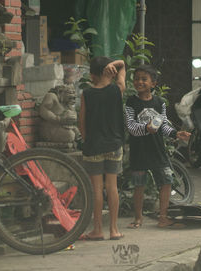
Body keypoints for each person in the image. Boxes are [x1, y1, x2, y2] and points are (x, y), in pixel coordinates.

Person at [125, 65, 191, 229]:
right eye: (137, 79)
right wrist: (146, 129)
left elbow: (163, 125)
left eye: (144, 79)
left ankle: (163, 217)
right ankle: (138, 218)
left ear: (153, 83)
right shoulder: (131, 102)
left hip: (157, 149)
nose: (139, 82)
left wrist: (176, 134)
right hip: (138, 150)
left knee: (166, 181)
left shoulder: (160, 103)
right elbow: (131, 127)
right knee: (139, 184)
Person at [78, 56, 125, 240]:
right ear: (109, 71)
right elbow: (123, 65)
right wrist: (115, 65)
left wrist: (86, 139)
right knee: (112, 187)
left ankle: (97, 230)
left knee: (96, 189)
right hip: (114, 145)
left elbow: (81, 122)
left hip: (94, 146)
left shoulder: (87, 94)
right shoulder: (117, 90)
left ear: (92, 75)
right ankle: (114, 229)